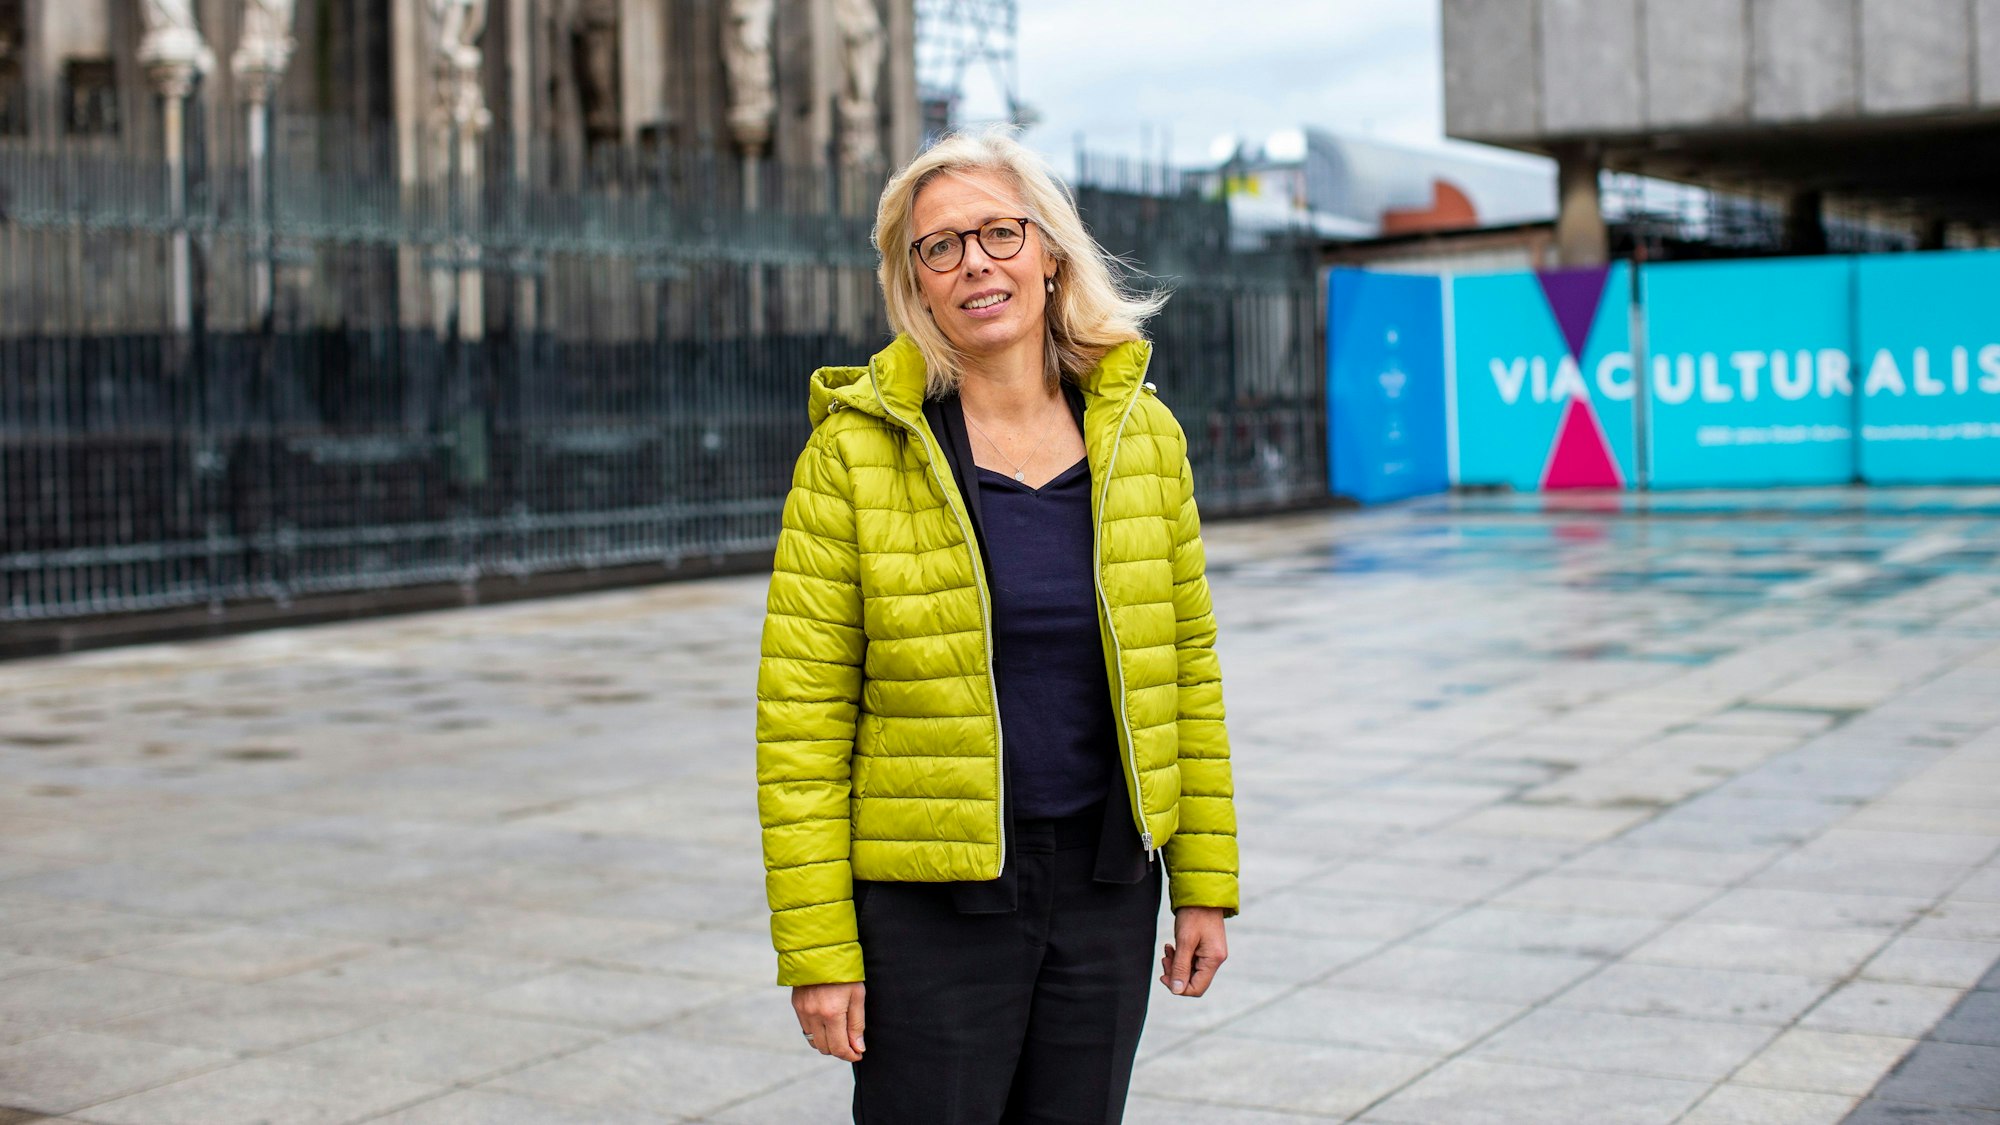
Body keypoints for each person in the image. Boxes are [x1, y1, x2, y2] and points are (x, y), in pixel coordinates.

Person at [755, 127, 1239, 1125]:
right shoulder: (854, 457)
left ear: (1050, 252)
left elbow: (1182, 671)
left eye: (997, 233)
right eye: (939, 247)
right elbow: (799, 722)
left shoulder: (1142, 438)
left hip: (1106, 889)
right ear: (915, 284)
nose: (973, 261)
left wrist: (1203, 883)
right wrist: (817, 949)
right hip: (930, 901)